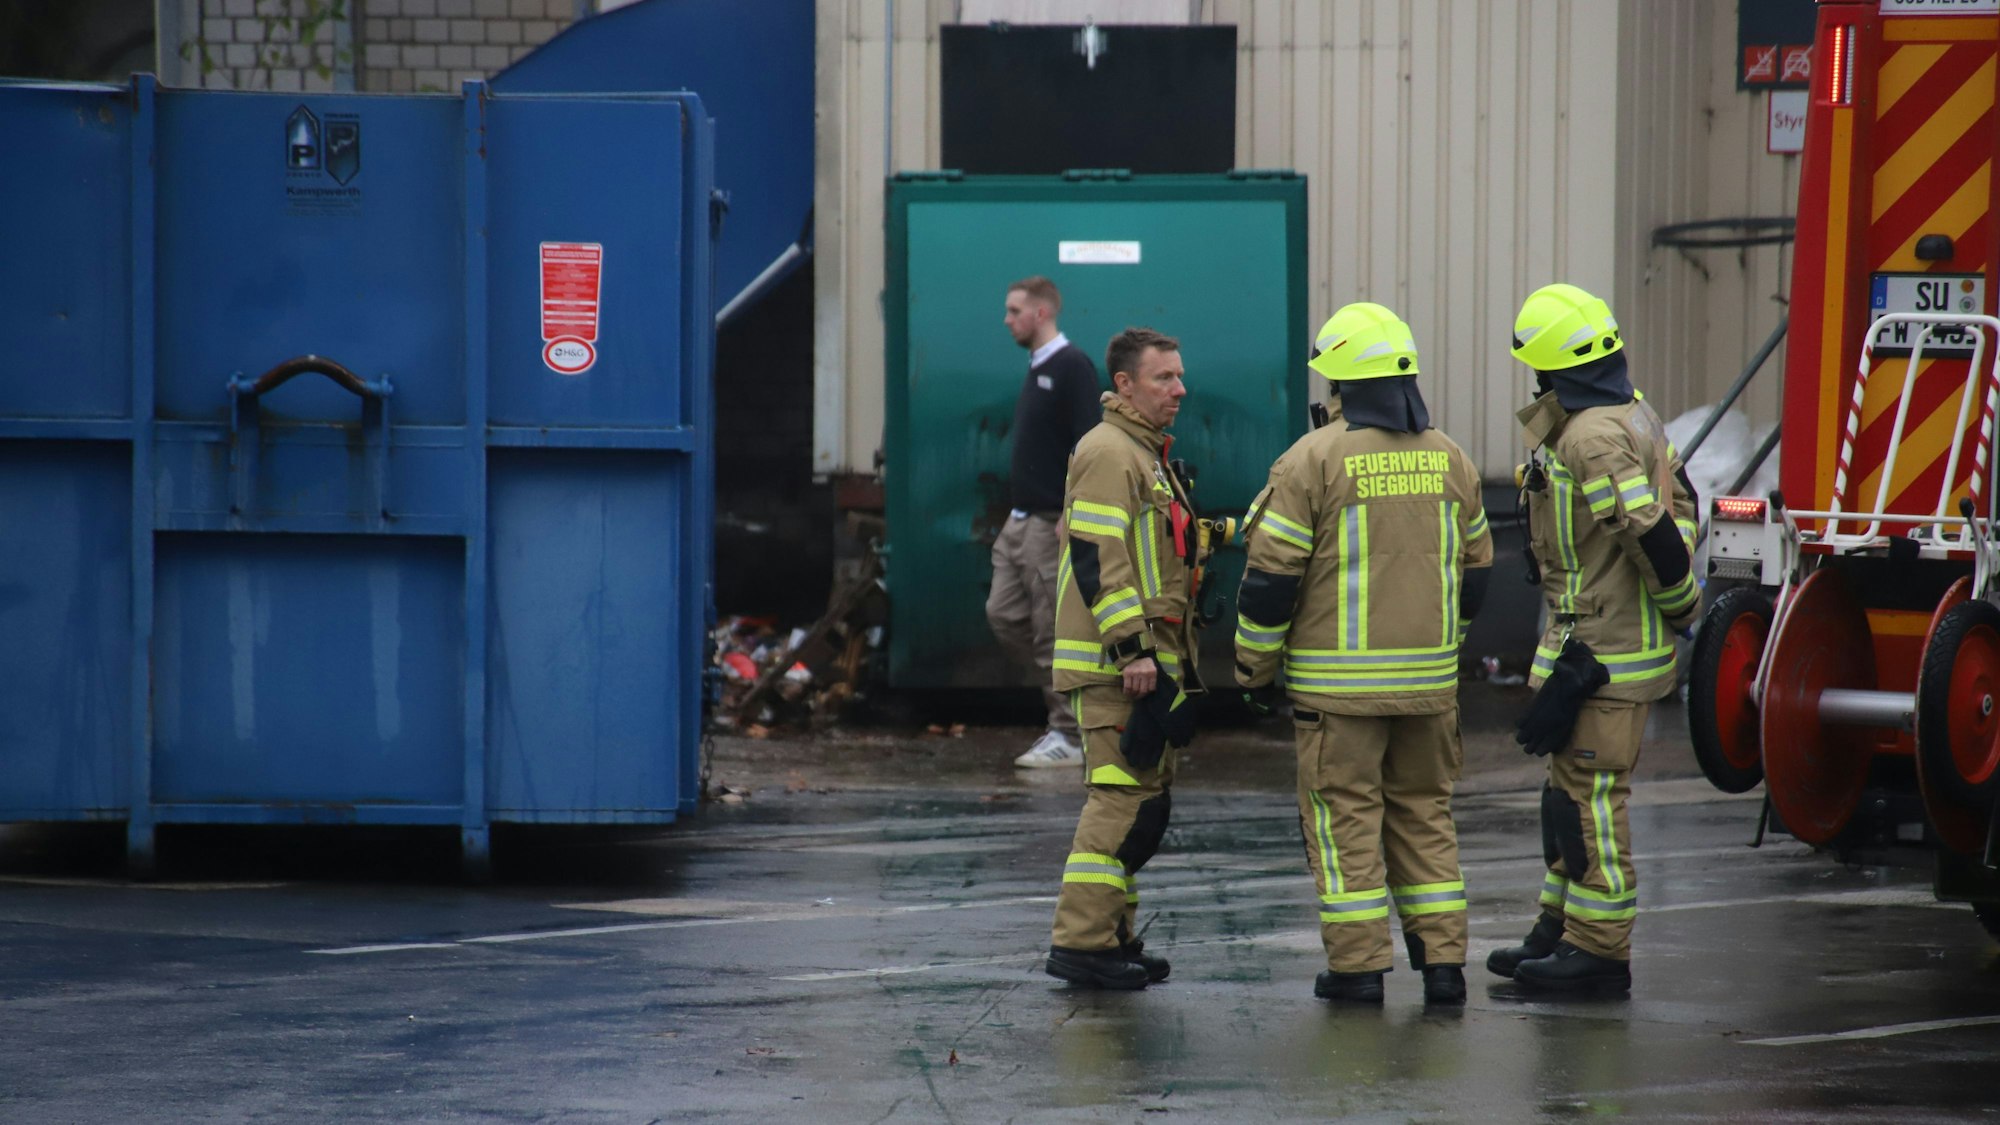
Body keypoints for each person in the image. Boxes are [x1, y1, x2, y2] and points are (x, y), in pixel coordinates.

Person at [1234, 302, 1494, 1006]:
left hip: (1336, 696)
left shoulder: (1312, 460)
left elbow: (1269, 585)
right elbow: (1477, 576)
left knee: (1345, 820)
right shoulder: (1451, 456)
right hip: (1430, 690)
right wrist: (1444, 651)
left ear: (1342, 386)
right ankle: (1444, 967)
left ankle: (1357, 970)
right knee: (1424, 817)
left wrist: (1253, 672)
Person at [1488, 283, 1700, 994]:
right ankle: (1559, 928)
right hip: (1583, 642)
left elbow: (1650, 529)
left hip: (1608, 652)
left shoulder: (1592, 435)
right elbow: (1684, 506)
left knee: (1592, 801)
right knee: (1566, 795)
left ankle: (1600, 950)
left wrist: (1683, 604)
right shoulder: (1627, 412)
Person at [1044, 326, 1208, 990]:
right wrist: (1133, 647)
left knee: (1140, 800)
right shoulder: (1111, 451)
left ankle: (1112, 935)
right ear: (1124, 385)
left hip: (1145, 661)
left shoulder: (1143, 454)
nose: (1179, 388)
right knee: (1118, 799)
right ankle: (1081, 943)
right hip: (1122, 664)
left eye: (1179, 375)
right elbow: (1097, 555)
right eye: (1164, 377)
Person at [990, 276, 1103, 769]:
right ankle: (1066, 714)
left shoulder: (1072, 366)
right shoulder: (1038, 367)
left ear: (1040, 314)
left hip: (1049, 521)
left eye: (1015, 311)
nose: (1007, 320)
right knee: (1003, 614)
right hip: (1018, 521)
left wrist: (1072, 510)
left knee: (1050, 630)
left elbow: (1090, 445)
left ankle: (1071, 736)